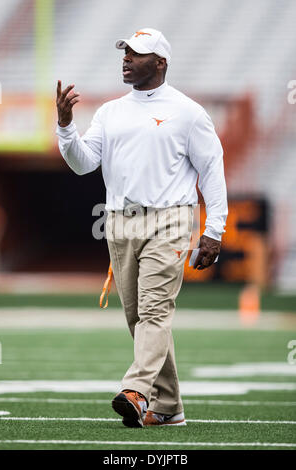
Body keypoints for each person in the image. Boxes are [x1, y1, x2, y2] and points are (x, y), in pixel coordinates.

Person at [56, 28, 228, 428]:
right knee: (139, 318)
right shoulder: (110, 111)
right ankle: (169, 407)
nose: (127, 59)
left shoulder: (187, 111)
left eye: (138, 54)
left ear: (161, 62)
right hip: (118, 220)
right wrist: (66, 127)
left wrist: (214, 229)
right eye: (126, 52)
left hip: (170, 218)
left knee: (154, 310)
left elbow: (212, 171)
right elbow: (83, 163)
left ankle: (136, 389)